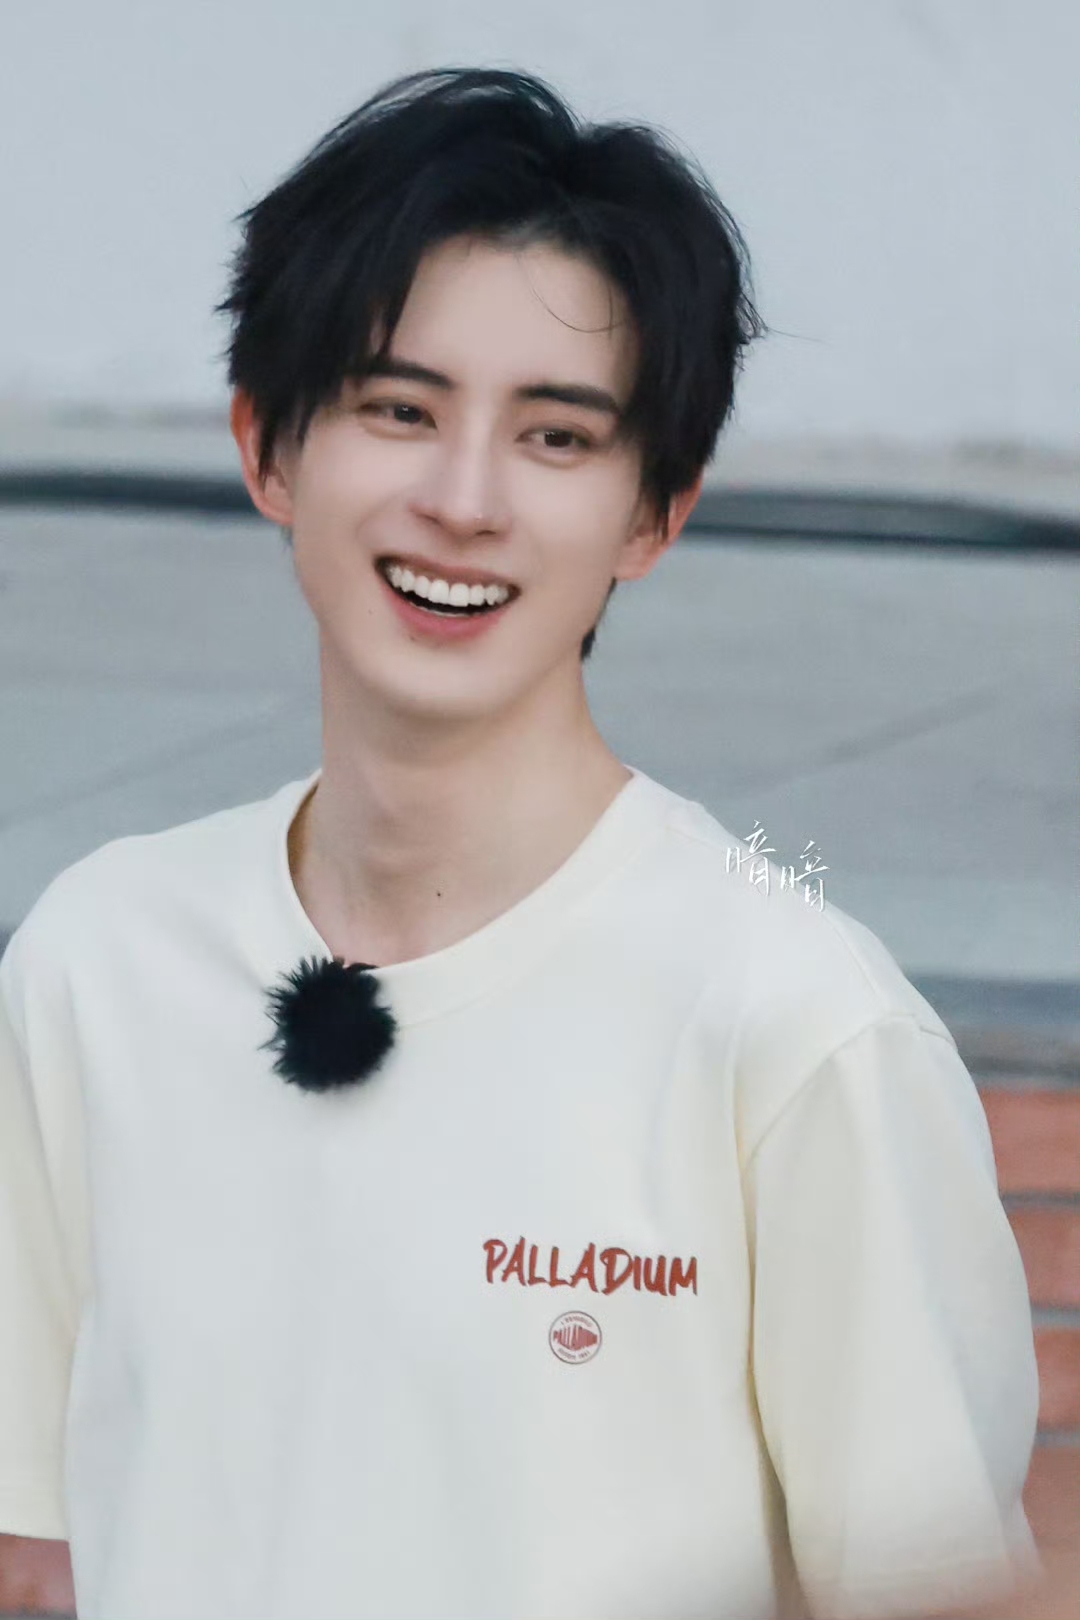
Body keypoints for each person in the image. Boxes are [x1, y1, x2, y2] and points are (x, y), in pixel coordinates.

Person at [0, 67, 1045, 1620]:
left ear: (655, 514)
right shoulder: (98, 958)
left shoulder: (799, 1022)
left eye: (557, 437)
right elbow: (34, 1558)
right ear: (267, 448)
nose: (465, 499)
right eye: (399, 410)